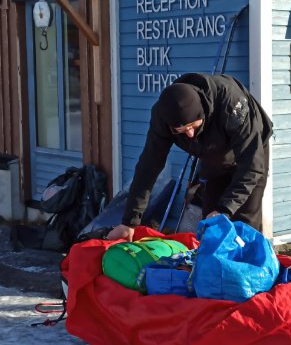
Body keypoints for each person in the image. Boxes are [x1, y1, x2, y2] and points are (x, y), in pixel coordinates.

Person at [106, 73, 273, 241]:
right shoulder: (163, 116)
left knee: (243, 225)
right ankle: (213, 264)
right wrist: (130, 221)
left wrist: (225, 209)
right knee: (210, 224)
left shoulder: (231, 104)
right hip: (212, 156)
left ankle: (248, 263)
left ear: (203, 114)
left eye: (193, 126)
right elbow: (148, 166)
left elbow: (252, 165)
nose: (190, 133)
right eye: (182, 131)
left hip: (251, 154)